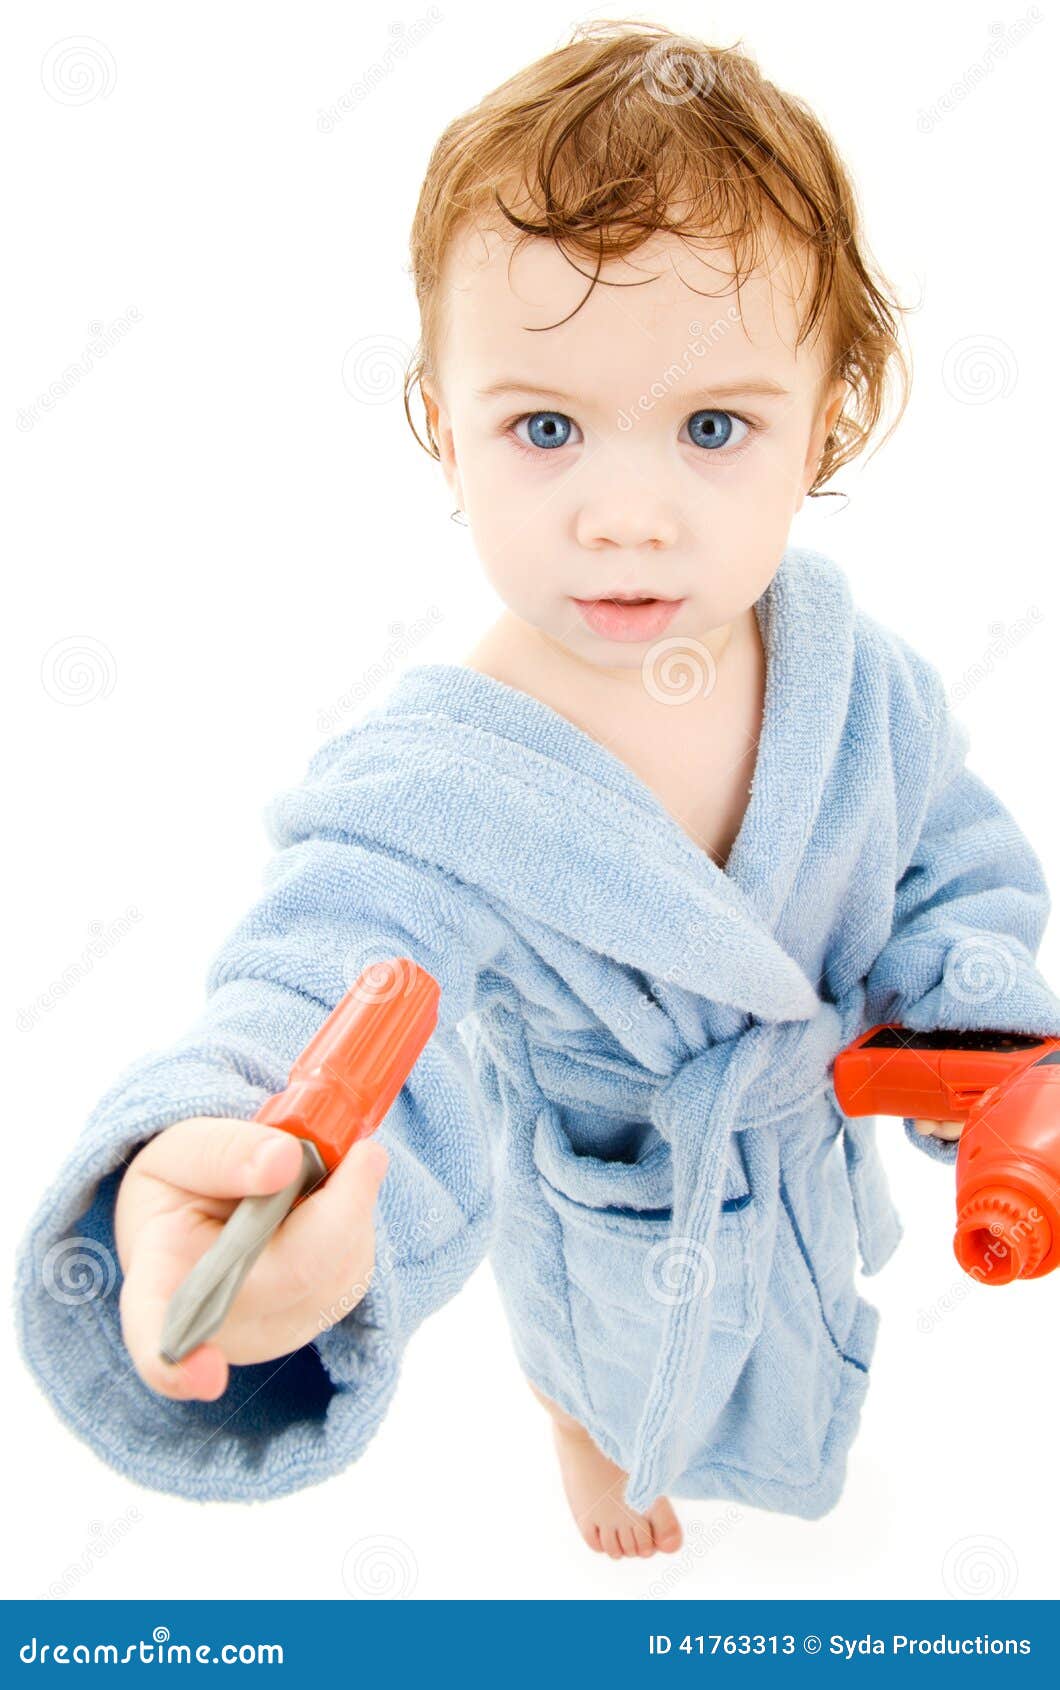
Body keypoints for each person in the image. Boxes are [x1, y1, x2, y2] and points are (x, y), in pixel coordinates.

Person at [15, 20, 1060, 1560]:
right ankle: (574, 1419)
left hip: (791, 1187)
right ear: (445, 421)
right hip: (614, 1214)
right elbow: (326, 976)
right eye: (546, 427)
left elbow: (948, 863)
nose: (623, 513)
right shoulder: (441, 780)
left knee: (780, 1362)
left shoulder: (859, 679)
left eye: (715, 427)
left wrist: (972, 1021)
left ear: (828, 413)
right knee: (601, 1362)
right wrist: (233, 1148)